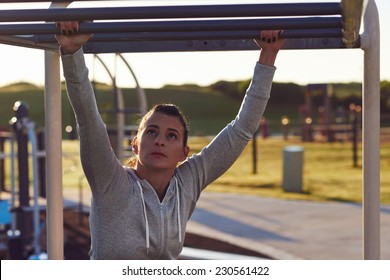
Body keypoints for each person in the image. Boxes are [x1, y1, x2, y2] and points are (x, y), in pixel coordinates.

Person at [55, 21, 284, 260]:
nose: (160, 141)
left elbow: (242, 129)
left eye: (171, 135)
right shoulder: (111, 183)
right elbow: (88, 120)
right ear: (136, 144)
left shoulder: (188, 183)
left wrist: (268, 55)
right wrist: (72, 52)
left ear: (184, 153)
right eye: (151, 132)